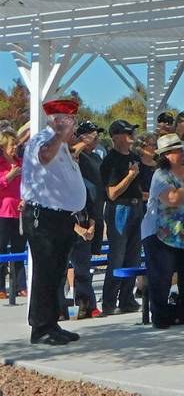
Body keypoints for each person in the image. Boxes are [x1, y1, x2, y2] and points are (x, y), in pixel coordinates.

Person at [20, 99, 86, 345]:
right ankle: (40, 328)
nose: (74, 126)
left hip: (61, 217)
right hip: (43, 216)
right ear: (59, 121)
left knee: (57, 272)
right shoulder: (43, 139)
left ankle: (51, 323)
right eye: (71, 121)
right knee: (45, 272)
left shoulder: (63, 146)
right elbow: (44, 156)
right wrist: (59, 135)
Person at [141, 132, 184, 328]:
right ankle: (160, 316)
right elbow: (172, 199)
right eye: (176, 150)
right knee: (162, 276)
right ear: (166, 155)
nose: (181, 152)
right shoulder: (161, 175)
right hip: (162, 234)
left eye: (180, 148)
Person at [61, 120, 105, 320]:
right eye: (92, 136)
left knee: (83, 270)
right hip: (65, 223)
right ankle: (59, 309)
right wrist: (75, 227)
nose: (96, 140)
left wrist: (92, 223)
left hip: (86, 218)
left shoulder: (93, 160)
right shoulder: (63, 162)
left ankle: (86, 305)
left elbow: (92, 199)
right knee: (60, 270)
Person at [100, 119, 144, 315]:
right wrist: (130, 176)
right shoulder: (110, 161)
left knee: (133, 256)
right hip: (119, 209)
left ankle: (127, 298)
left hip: (137, 208)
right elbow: (112, 194)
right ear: (116, 136)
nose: (131, 136)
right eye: (127, 132)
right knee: (117, 256)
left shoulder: (135, 157)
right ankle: (109, 302)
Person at [0, 127, 26, 301]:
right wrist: (10, 175)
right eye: (12, 144)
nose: (15, 147)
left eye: (16, 144)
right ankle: (1, 287)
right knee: (1, 250)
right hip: (2, 212)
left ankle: (20, 286)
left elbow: (28, 184)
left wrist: (26, 199)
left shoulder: (21, 162)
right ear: (3, 146)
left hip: (19, 212)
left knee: (19, 249)